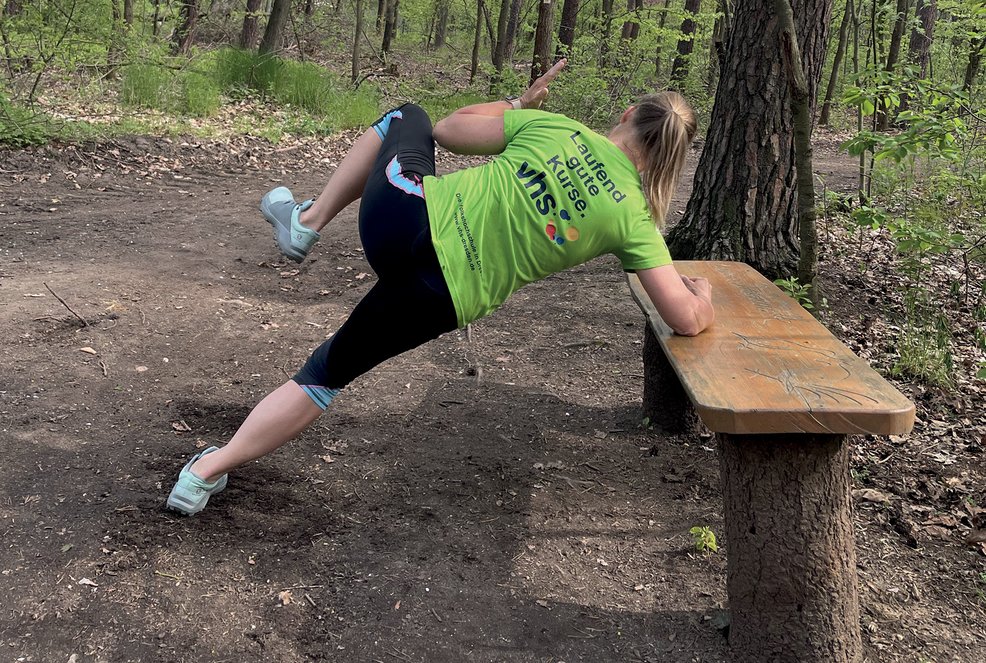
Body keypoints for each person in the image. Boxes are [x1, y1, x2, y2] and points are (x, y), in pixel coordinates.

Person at [166, 60, 714, 515]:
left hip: (404, 218)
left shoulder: (560, 128)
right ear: (669, 157)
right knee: (323, 375)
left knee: (407, 115)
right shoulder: (634, 221)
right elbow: (685, 317)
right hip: (440, 293)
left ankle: (307, 222)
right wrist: (704, 300)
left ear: (625, 115)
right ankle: (201, 476)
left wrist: (519, 105)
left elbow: (445, 130)